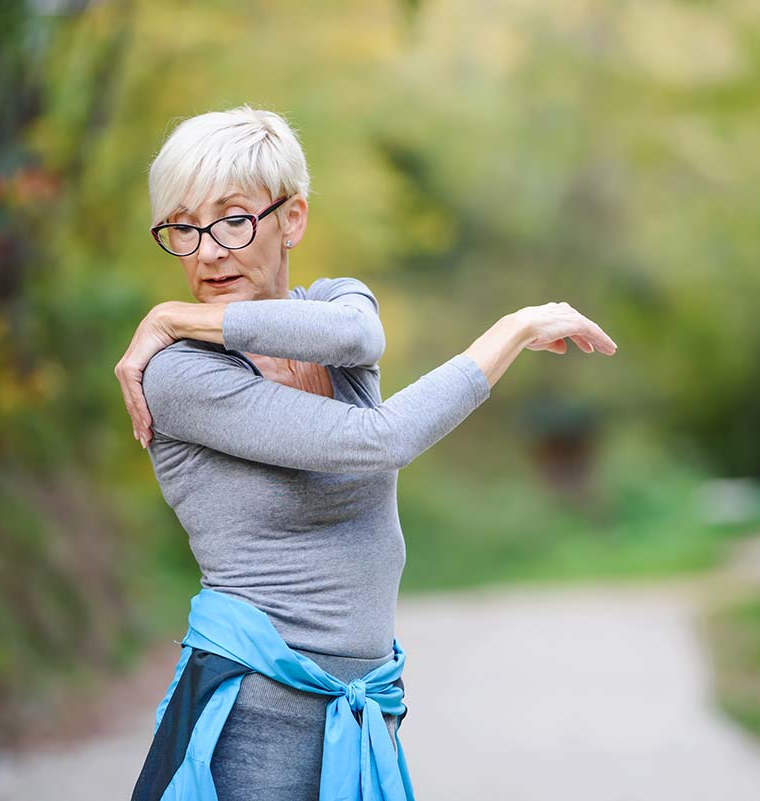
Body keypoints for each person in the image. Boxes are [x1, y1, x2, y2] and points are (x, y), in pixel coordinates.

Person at [114, 104, 617, 801]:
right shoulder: (179, 377)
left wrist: (175, 311)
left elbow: (360, 339)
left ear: (292, 218)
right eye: (183, 226)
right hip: (252, 722)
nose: (205, 250)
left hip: (361, 710)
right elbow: (378, 440)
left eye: (231, 219)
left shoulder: (335, 309)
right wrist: (512, 329)